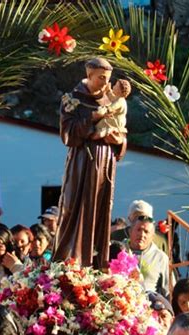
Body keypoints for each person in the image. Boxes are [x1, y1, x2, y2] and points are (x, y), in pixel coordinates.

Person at [53, 57, 126, 268]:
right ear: (89, 74)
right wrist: (93, 118)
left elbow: (121, 130)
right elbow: (68, 133)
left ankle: (95, 263)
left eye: (108, 79)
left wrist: (119, 141)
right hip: (82, 161)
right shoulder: (72, 99)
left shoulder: (112, 99)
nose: (105, 83)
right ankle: (68, 263)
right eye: (101, 78)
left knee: (100, 211)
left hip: (106, 162)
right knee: (73, 208)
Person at [124, 200, 174, 298]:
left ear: (152, 236)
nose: (142, 235)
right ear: (130, 231)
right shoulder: (120, 252)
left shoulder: (160, 257)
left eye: (146, 232)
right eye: (138, 230)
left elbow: (168, 291)